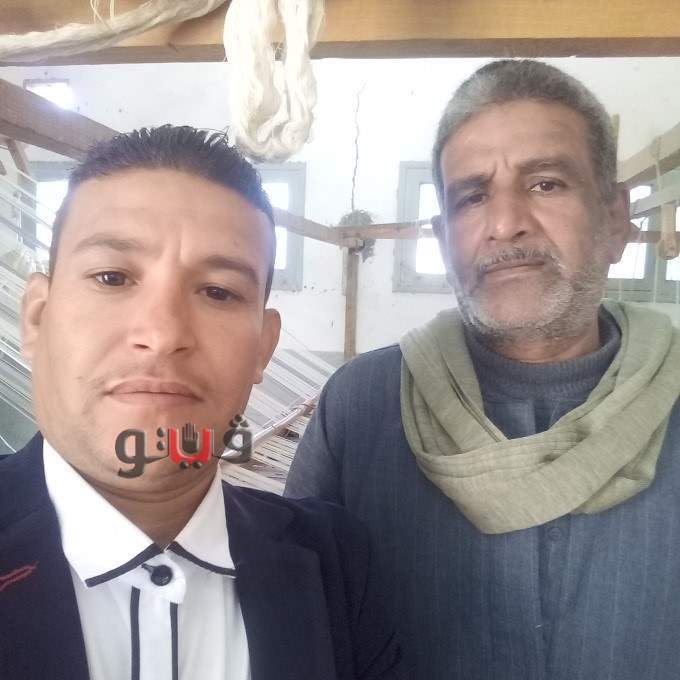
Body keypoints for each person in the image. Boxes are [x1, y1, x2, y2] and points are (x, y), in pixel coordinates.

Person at [285, 59, 680, 680]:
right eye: (472, 197)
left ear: (613, 218)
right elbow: (297, 624)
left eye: (546, 183)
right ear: (444, 238)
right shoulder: (361, 408)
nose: (504, 224)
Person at [0, 125, 403, 680]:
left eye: (218, 291)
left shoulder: (336, 568)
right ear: (37, 318)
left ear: (263, 348)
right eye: (113, 277)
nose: (163, 333)